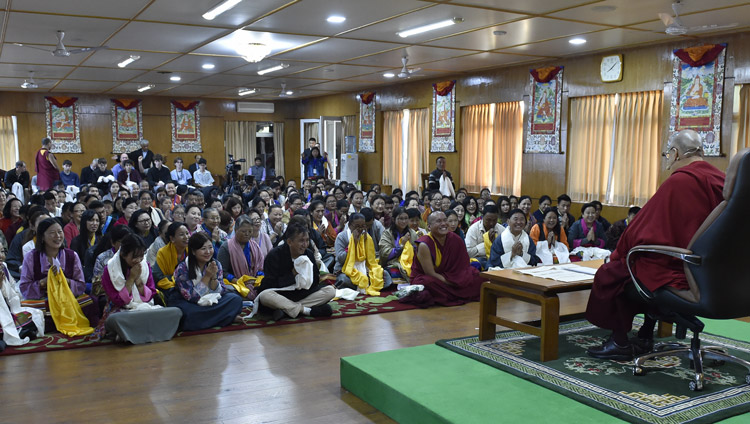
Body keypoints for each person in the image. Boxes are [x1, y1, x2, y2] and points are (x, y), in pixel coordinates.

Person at [585, 129, 725, 360]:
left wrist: (619, 253)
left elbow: (640, 230)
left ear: (675, 153)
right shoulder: (722, 180)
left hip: (682, 268)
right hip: (714, 273)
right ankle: (645, 334)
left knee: (615, 272)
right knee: (642, 266)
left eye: (667, 154)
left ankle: (620, 342)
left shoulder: (680, 181)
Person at [97, 234, 182, 343]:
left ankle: (128, 333)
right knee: (116, 320)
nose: (139, 260)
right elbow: (119, 300)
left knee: (176, 312)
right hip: (121, 310)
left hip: (144, 307)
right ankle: (133, 331)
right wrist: (131, 278)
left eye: (141, 256)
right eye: (134, 257)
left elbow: (150, 294)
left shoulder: (145, 265)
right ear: (123, 254)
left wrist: (139, 282)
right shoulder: (109, 270)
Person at [19, 218, 99, 332]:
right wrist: (43, 282)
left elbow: (81, 285)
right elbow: (24, 287)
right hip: (43, 298)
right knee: (25, 309)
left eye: (60, 232)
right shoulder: (31, 257)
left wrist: (65, 281)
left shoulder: (72, 255)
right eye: (52, 233)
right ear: (42, 237)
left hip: (68, 298)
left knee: (91, 301)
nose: (58, 236)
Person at [256, 223, 335, 320]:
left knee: (330, 291)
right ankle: (307, 311)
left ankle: (286, 309)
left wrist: (307, 276)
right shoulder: (275, 255)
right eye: (301, 241)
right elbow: (269, 284)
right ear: (289, 241)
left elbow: (315, 281)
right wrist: (292, 275)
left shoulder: (308, 254)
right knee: (264, 296)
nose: (305, 245)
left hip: (302, 294)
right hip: (281, 294)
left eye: (307, 240)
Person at [169, 232, 242, 331]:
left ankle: (216, 319)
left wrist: (214, 277)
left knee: (235, 299)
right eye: (203, 249)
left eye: (210, 247)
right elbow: (191, 297)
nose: (208, 252)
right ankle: (226, 318)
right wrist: (207, 276)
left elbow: (222, 291)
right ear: (193, 251)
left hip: (210, 299)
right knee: (188, 314)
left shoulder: (216, 264)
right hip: (188, 302)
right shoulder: (182, 268)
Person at [408, 211, 485, 306]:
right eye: (439, 221)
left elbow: (463, 266)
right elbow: (430, 273)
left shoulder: (455, 239)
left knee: (478, 277)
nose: (443, 224)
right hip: (433, 279)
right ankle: (457, 292)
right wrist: (451, 282)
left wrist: (459, 279)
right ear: (429, 227)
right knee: (427, 284)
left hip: (452, 276)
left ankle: (452, 293)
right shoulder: (424, 244)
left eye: (445, 220)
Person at [0, 245, 45, 346]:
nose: (1, 256)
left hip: (8, 312)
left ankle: (17, 332)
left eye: (2, 252)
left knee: (34, 316)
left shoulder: (4, 267)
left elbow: (13, 294)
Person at [335, 213, 389, 294]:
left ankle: (361, 284)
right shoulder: (342, 236)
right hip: (346, 271)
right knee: (343, 280)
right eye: (357, 226)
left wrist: (368, 269)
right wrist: (353, 244)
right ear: (350, 225)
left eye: (363, 226)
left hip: (364, 269)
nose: (360, 229)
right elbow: (340, 259)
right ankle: (362, 284)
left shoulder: (366, 237)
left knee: (384, 274)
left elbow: (371, 259)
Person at [217, 215, 264, 297]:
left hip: (253, 282)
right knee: (232, 294)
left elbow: (260, 267)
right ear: (236, 230)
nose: (247, 234)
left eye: (250, 231)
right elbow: (222, 272)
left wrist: (257, 279)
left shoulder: (255, 246)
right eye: (243, 231)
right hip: (234, 283)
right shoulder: (226, 247)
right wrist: (238, 281)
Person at [379, 207, 418, 282]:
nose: (404, 221)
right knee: (391, 270)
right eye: (401, 219)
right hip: (393, 262)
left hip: (410, 262)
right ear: (394, 219)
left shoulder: (412, 233)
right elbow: (384, 254)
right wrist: (402, 245)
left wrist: (412, 248)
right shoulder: (387, 233)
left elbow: (417, 251)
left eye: (406, 218)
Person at [464, 204, 503, 270]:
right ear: (482, 217)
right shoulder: (473, 229)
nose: (491, 223)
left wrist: (495, 244)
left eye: (494, 220)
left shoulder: (502, 230)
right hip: (479, 260)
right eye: (488, 220)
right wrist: (487, 242)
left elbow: (504, 252)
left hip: (496, 260)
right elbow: (468, 252)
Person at [153, 222, 190, 291]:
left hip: (189, 287)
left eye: (187, 233)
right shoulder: (163, 253)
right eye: (181, 235)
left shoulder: (192, 250)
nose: (186, 237)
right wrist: (175, 286)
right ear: (172, 238)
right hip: (169, 287)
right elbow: (157, 276)